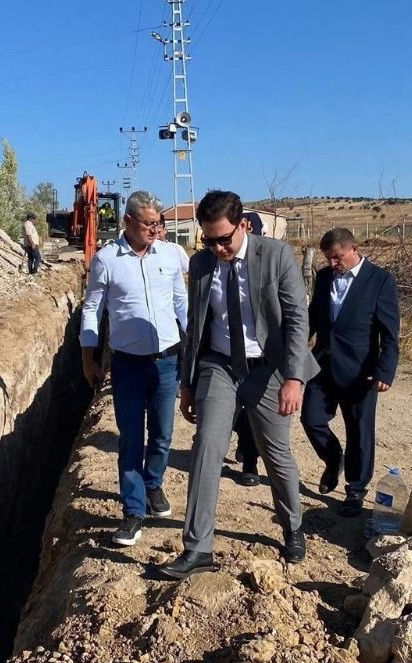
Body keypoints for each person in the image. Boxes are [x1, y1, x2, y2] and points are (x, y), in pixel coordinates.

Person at [163, 190, 319, 579]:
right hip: (219, 365)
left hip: (268, 368)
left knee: (275, 453)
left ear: (243, 225)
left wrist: (294, 378)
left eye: (224, 239)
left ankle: (292, 526)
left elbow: (297, 319)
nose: (217, 248)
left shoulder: (276, 255)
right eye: (208, 240)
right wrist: (187, 384)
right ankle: (198, 547)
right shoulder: (201, 264)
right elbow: (196, 326)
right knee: (207, 447)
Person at [80, 190, 188, 546]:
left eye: (158, 223)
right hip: (127, 364)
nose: (155, 230)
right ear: (128, 221)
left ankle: (153, 484)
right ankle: (133, 511)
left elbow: (181, 301)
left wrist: (195, 342)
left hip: (167, 361)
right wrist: (88, 358)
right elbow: (92, 309)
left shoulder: (170, 255)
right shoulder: (107, 260)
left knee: (162, 433)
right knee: (130, 438)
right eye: (149, 224)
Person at [301, 228, 400, 518]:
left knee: (359, 432)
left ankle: (355, 491)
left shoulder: (380, 280)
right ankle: (334, 459)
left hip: (361, 370)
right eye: (329, 258)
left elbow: (390, 332)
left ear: (354, 249)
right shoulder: (323, 277)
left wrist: (385, 371)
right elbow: (314, 316)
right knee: (311, 419)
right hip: (323, 365)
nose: (333, 263)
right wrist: (295, 343)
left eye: (338, 257)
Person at [230, 210, 267, 488]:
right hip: (227, 352)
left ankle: (250, 461)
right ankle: (244, 440)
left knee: (253, 409)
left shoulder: (272, 261)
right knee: (231, 410)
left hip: (261, 354)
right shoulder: (220, 261)